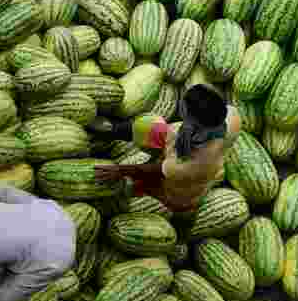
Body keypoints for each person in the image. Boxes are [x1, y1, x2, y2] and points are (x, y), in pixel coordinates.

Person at [93, 83, 241, 214]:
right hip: (175, 155)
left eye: (184, 106)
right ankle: (110, 130)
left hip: (178, 190)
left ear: (190, 117)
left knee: (142, 187)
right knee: (149, 126)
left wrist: (120, 170)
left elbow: (153, 170)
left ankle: (182, 230)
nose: (181, 104)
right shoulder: (229, 116)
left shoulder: (191, 164)